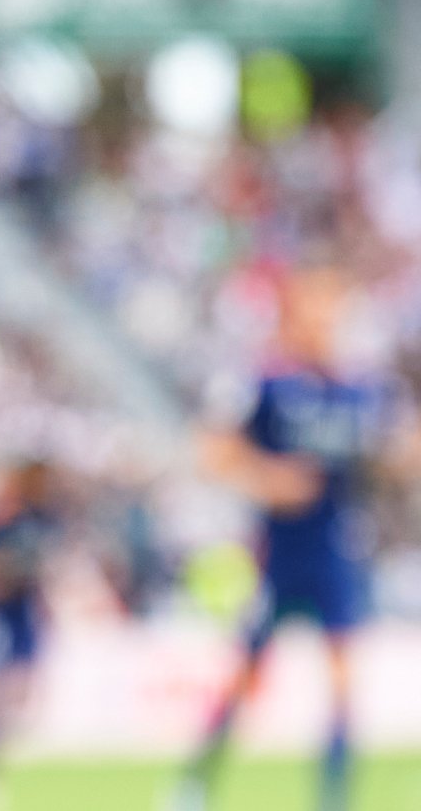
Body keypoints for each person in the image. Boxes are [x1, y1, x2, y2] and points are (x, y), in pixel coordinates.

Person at [170, 268, 420, 811]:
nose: (328, 324)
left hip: (336, 554)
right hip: (276, 556)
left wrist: (401, 452)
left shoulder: (362, 390)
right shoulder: (268, 384)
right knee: (244, 678)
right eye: (317, 311)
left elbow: (400, 450)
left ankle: (334, 799)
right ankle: (193, 786)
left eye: (335, 313)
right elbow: (212, 451)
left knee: (343, 682)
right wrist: (266, 478)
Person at [0, 458, 61, 806]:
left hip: (23, 614)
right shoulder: (6, 523)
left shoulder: (37, 520)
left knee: (19, 688)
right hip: (3, 616)